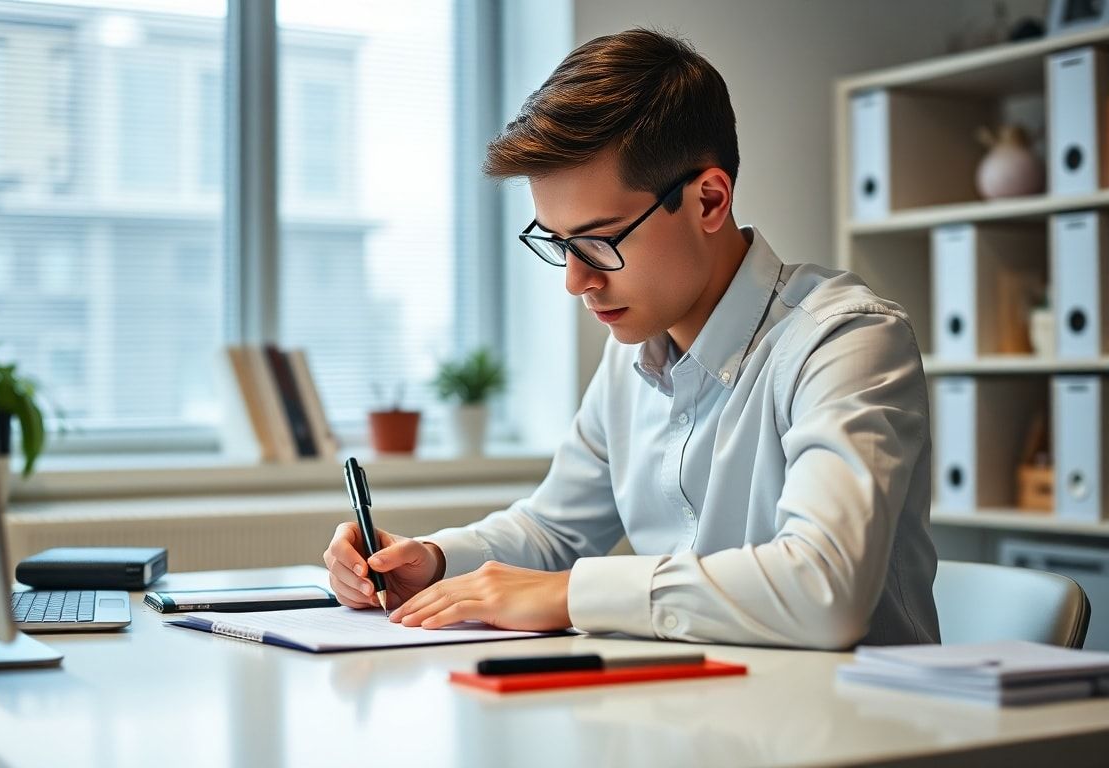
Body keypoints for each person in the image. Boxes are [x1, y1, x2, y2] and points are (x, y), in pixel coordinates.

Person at [322, 28, 939, 650]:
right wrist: (429, 561)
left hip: (860, 728)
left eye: (598, 241)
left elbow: (824, 590)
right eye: (559, 243)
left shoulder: (846, 342)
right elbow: (552, 530)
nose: (575, 280)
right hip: (701, 716)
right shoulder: (634, 356)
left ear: (709, 200)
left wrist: (568, 594)